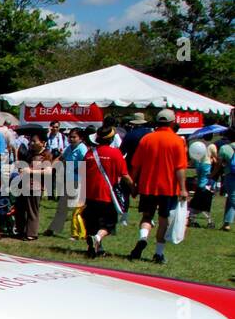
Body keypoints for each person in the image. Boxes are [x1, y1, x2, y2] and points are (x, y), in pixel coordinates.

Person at [128, 109, 189, 265]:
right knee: (163, 220)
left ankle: (143, 237)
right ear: (172, 122)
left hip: (147, 186)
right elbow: (180, 168)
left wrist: (133, 184)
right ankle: (158, 253)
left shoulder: (147, 139)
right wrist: (183, 188)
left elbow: (136, 165)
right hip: (168, 188)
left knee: (147, 216)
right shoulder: (177, 141)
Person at [83, 125, 132, 258]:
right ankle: (98, 238)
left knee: (92, 223)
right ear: (111, 139)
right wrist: (133, 187)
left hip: (90, 193)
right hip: (107, 195)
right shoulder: (116, 153)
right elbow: (124, 175)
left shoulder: (89, 153)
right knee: (108, 224)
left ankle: (96, 248)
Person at [47, 127, 87, 238]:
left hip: (78, 182)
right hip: (68, 180)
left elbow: (87, 163)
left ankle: (77, 233)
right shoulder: (69, 147)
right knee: (62, 206)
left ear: (81, 138)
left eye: (74, 137)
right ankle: (53, 229)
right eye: (70, 136)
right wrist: (51, 166)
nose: (71, 139)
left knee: (76, 209)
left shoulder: (82, 149)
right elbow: (61, 158)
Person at [15, 129, 50, 241]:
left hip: (35, 186)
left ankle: (31, 234)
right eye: (31, 141)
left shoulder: (46, 154)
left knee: (32, 210)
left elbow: (48, 171)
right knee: (19, 208)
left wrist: (30, 171)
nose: (31, 143)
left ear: (43, 142)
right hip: (23, 184)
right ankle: (20, 230)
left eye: (34, 141)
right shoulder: (30, 153)